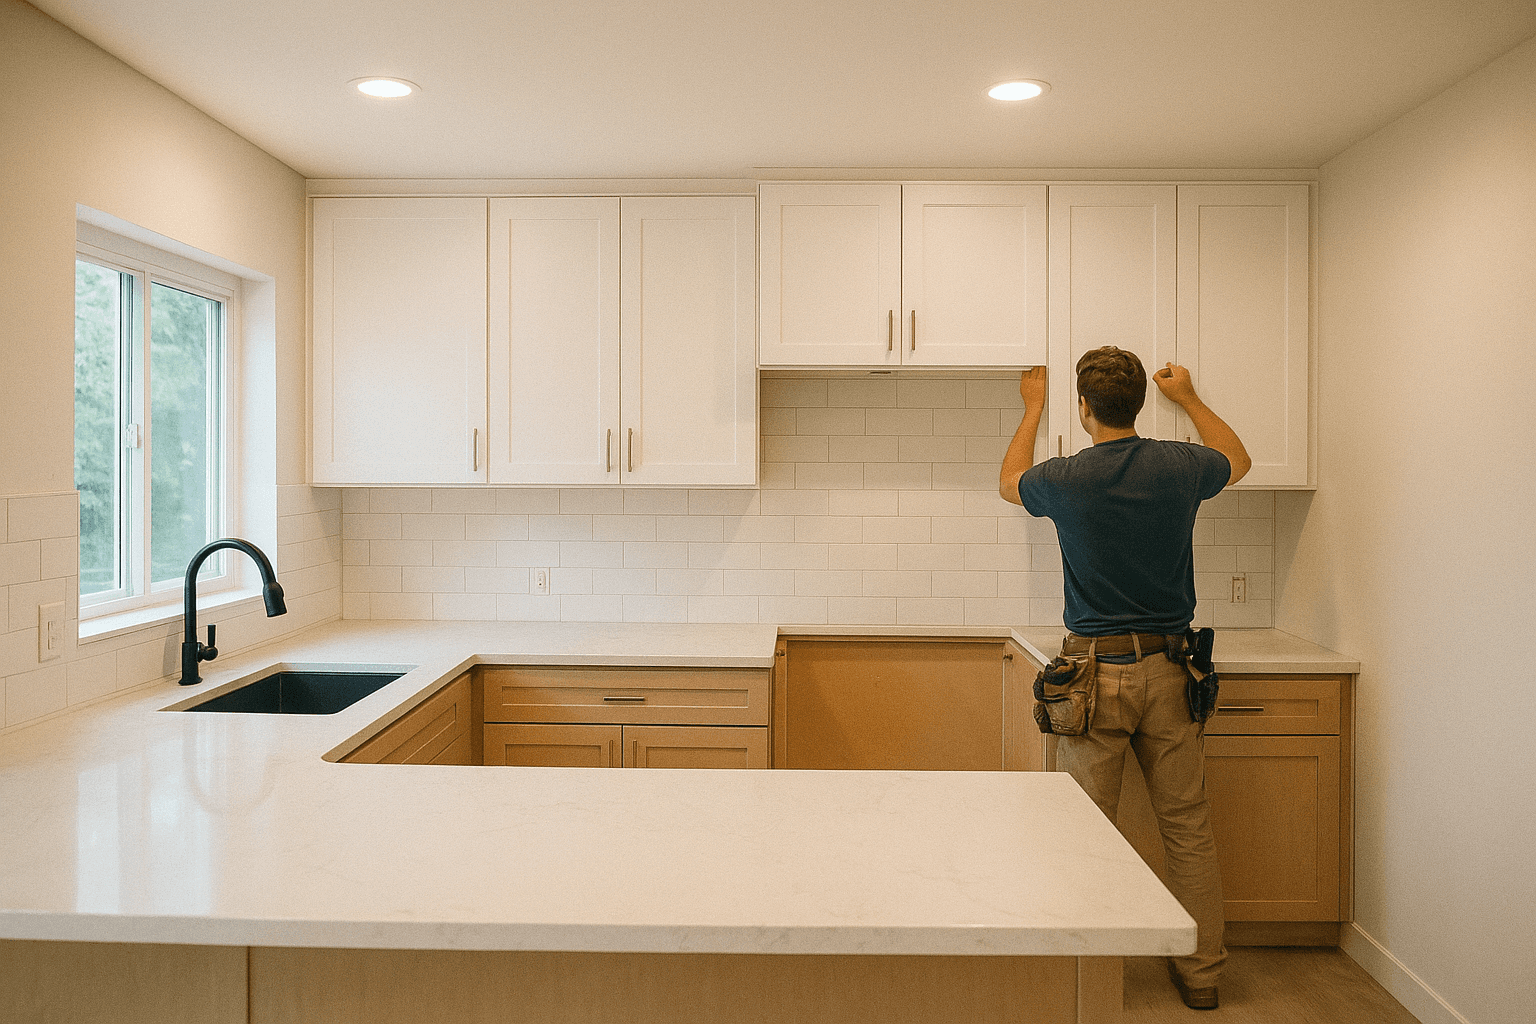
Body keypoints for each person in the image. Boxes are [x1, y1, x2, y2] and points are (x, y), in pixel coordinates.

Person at [999, 347, 1251, 1011]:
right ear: (1139, 403)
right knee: (1187, 829)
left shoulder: (1066, 477)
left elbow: (1009, 481)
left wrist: (1031, 408)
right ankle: (1202, 974)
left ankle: (1086, 978)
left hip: (1092, 676)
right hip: (1172, 671)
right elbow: (1238, 459)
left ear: (1084, 407)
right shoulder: (1180, 465)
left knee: (1085, 831)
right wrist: (1189, 399)